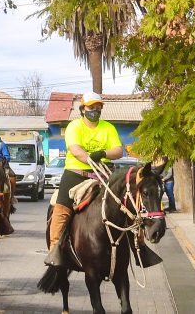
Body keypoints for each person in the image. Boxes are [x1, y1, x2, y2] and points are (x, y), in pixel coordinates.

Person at [45, 91, 123, 267]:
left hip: (103, 174)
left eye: (98, 108)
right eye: (91, 107)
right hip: (76, 173)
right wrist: (89, 159)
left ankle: (138, 246)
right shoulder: (74, 126)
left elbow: (118, 151)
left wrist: (103, 153)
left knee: (123, 204)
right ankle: (54, 249)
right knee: (61, 208)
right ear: (82, 109)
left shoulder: (108, 128)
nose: (94, 110)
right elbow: (75, 149)